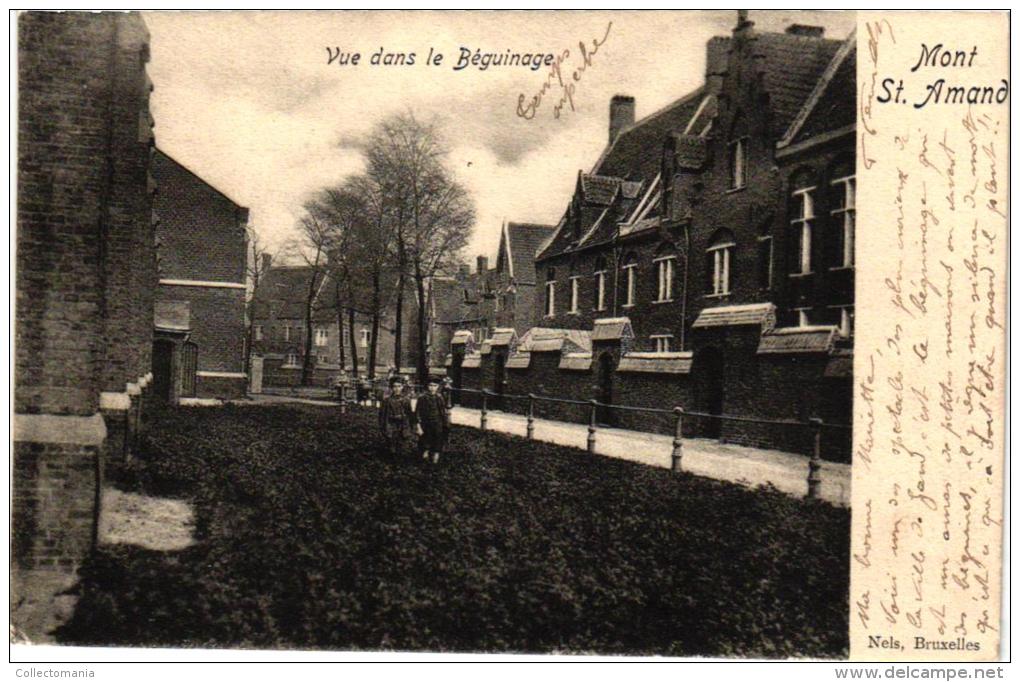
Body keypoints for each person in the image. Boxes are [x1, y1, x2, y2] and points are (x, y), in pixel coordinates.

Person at [415, 375, 448, 464]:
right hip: (425, 424)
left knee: (437, 440)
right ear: (427, 386)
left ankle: (435, 458)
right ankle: (424, 456)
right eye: (430, 385)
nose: (432, 388)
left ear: (438, 387)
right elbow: (417, 413)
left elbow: (442, 412)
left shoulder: (439, 398)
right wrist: (418, 426)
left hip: (437, 423)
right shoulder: (422, 398)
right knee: (425, 441)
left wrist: (445, 424)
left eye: (435, 386)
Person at [379, 375, 415, 455]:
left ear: (402, 387)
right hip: (391, 424)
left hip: (403, 425)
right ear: (392, 388)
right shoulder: (387, 401)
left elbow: (410, 414)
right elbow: (382, 416)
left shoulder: (406, 400)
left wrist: (410, 426)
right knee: (391, 446)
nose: (397, 389)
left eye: (399, 386)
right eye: (394, 386)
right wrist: (384, 427)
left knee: (402, 445)